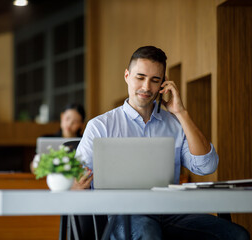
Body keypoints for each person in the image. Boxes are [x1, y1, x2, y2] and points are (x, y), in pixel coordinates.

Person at [73, 46, 249, 239]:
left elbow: (206, 166)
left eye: (155, 80)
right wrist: (76, 183)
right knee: (148, 233)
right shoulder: (100, 126)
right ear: (127, 76)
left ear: (163, 84)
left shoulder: (175, 124)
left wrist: (181, 113)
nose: (147, 87)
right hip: (124, 215)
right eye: (140, 77)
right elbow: (74, 180)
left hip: (171, 212)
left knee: (236, 235)